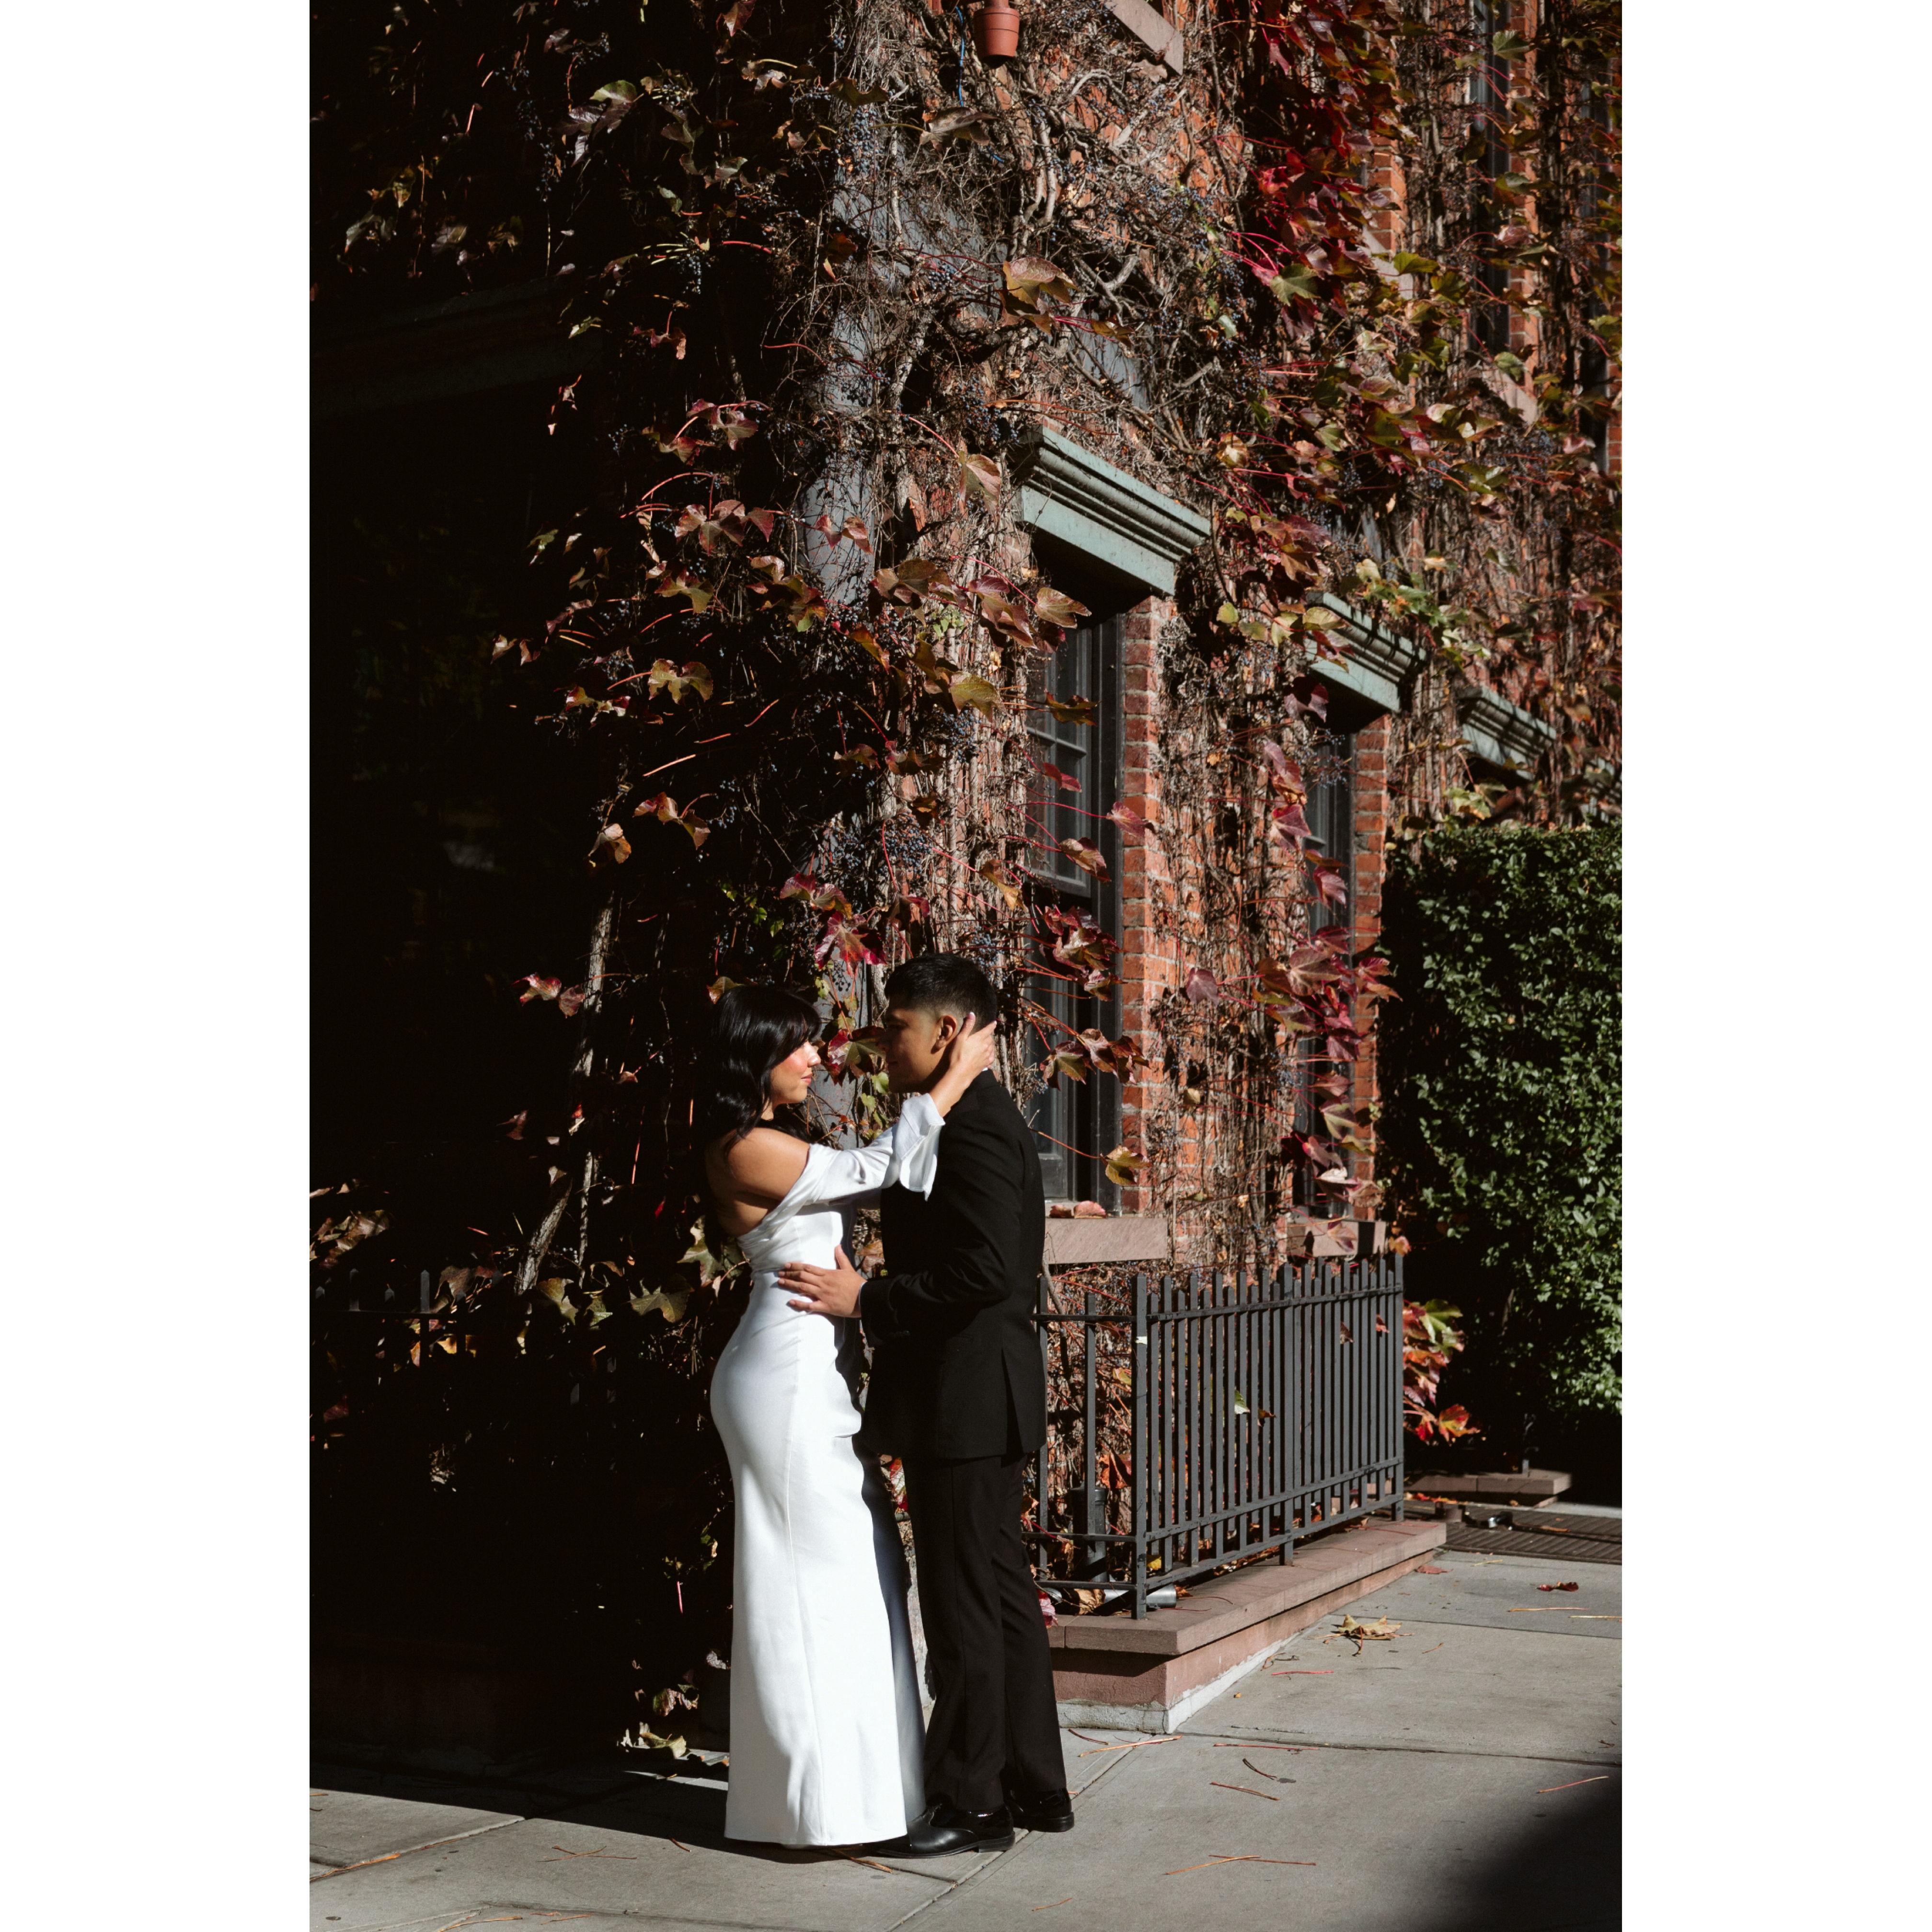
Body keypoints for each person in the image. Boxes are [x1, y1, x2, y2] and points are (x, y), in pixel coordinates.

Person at [780, 955, 1074, 1856]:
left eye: (896, 1025)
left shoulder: (976, 1128)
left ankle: (972, 1802)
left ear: (946, 1032)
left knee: (963, 1606)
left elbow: (985, 1271)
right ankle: (1033, 1784)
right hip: (976, 1394)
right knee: (1000, 1593)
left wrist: (868, 1299)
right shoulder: (966, 1114)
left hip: (967, 1398)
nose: (883, 1041)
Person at [701, 983, 996, 1848]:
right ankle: (817, 1808)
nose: (815, 1058)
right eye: (797, 1044)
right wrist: (951, 1080)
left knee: (853, 1580)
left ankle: (859, 1797)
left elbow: (898, 1174)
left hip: (812, 1375)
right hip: (785, 1382)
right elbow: (875, 1171)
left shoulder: (776, 1138)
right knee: (811, 1585)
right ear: (754, 1052)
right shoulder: (743, 1145)